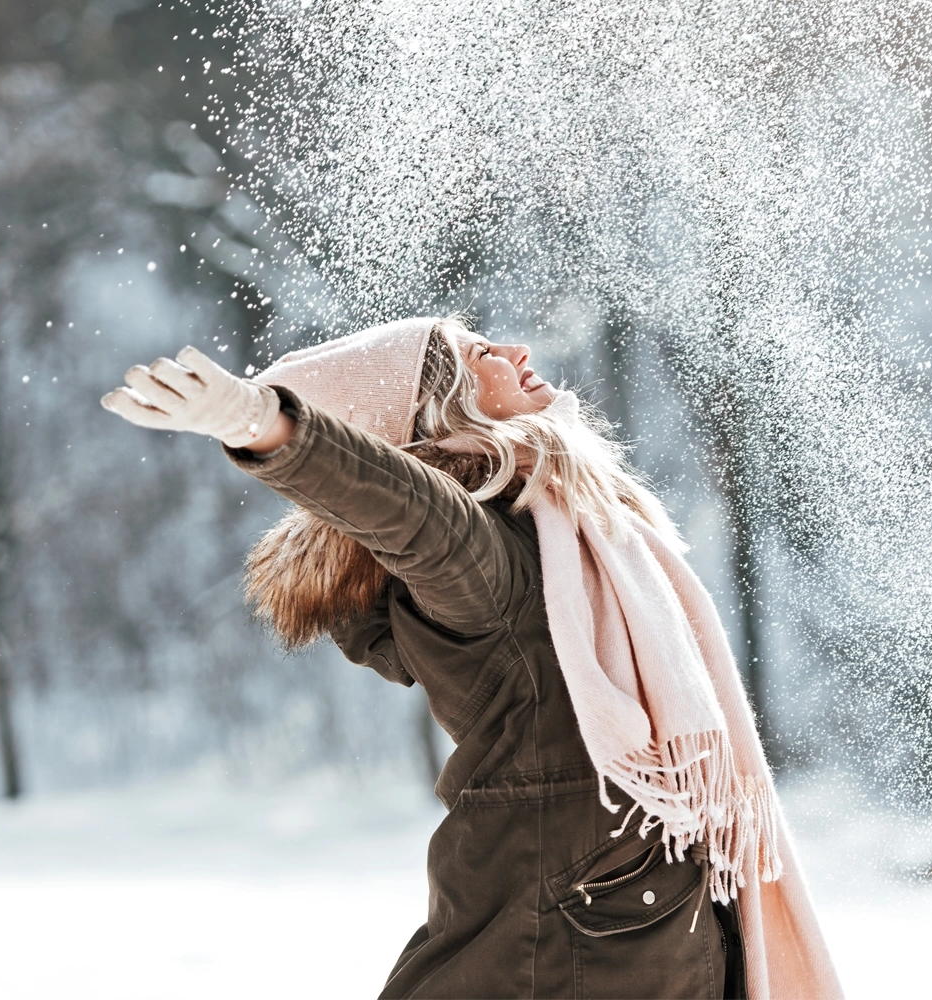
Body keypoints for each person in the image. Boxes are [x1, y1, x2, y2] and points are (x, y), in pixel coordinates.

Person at [101, 317, 841, 999]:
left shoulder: (567, 539)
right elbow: (415, 513)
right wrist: (269, 427)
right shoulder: (490, 563)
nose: (517, 352)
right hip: (572, 942)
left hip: (620, 924)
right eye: (479, 354)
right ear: (441, 414)